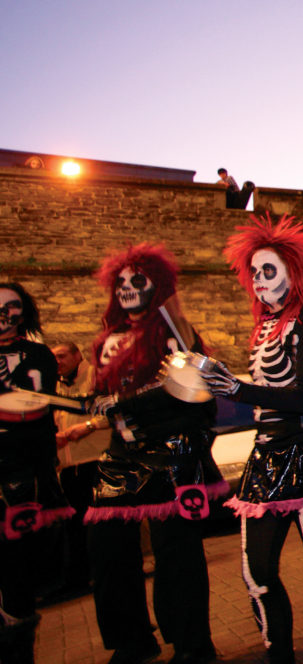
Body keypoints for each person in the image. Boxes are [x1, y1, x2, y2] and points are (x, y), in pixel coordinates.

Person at [198, 215, 303, 664]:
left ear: (293, 272)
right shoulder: (266, 327)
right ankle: (278, 655)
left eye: (268, 269)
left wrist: (238, 389)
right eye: (253, 271)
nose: (258, 279)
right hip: (266, 460)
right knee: (257, 573)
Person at [63, 245, 224, 664]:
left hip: (172, 451)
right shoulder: (107, 340)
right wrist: (98, 406)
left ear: (158, 283)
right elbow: (105, 397)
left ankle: (192, 644)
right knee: (106, 546)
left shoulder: (177, 328)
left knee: (176, 551)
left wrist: (123, 401)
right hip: (121, 454)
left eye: (138, 280)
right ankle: (132, 638)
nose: (128, 289)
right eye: (121, 282)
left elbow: (186, 383)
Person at [0, 282, 73, 664]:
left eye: (11, 306)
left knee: (17, 576)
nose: (3, 314)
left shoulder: (37, 355)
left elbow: (35, 410)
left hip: (22, 478)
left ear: (23, 313)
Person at [50, 341, 102, 600]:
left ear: (77, 355)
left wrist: (86, 427)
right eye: (54, 358)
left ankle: (100, 572)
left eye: (62, 356)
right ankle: (79, 578)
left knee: (97, 523)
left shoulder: (95, 376)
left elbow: (110, 411)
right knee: (75, 524)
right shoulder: (56, 386)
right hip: (70, 466)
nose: (58, 362)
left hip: (94, 460)